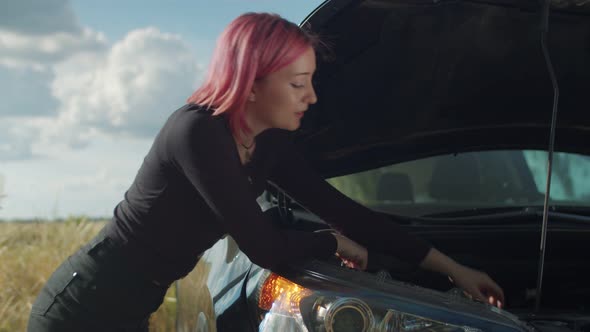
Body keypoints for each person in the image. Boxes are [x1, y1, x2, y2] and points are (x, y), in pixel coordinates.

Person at [28, 12, 504, 332]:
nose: (312, 97)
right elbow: (266, 248)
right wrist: (331, 243)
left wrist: (455, 270)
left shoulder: (269, 144)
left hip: (135, 301)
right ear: (251, 83)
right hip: (85, 302)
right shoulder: (197, 132)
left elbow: (346, 212)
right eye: (299, 83)